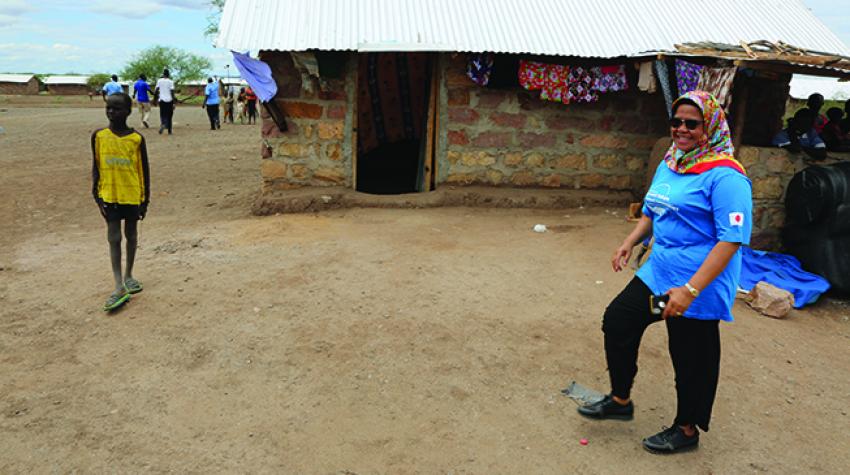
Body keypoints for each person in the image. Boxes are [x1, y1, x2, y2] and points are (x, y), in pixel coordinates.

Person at [577, 91, 752, 455]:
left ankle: (687, 429)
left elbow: (731, 240)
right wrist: (630, 240)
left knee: (690, 354)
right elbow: (653, 209)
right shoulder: (672, 161)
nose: (682, 129)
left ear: (710, 127)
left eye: (692, 123)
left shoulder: (727, 177)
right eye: (676, 122)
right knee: (620, 321)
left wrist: (690, 290)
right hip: (659, 275)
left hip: (697, 285)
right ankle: (621, 401)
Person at [90, 93, 150, 311]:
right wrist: (96, 195)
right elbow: (95, 167)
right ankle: (118, 285)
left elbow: (144, 170)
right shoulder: (99, 136)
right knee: (113, 237)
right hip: (109, 195)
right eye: (108, 108)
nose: (111, 112)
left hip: (132, 196)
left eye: (116, 109)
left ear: (128, 111)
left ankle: (129, 275)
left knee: (131, 235)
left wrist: (145, 200)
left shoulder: (136, 139)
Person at [155, 68, 176, 135]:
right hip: (169, 100)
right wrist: (174, 102)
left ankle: (163, 124)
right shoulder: (171, 82)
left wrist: (154, 99)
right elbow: (172, 92)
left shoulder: (159, 81)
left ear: (163, 74)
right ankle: (169, 131)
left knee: (162, 114)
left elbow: (156, 90)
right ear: (168, 75)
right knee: (170, 116)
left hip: (161, 100)